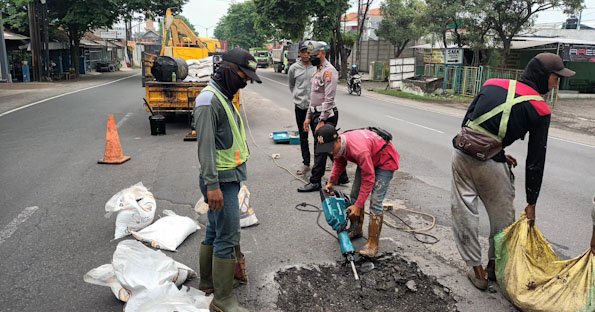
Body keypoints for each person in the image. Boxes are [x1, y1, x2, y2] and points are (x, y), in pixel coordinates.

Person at [450, 53, 575, 291]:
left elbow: (469, 122)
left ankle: (476, 271)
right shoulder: (540, 109)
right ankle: (493, 268)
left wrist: (496, 152)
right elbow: (536, 160)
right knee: (503, 220)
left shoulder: (491, 83)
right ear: (542, 76)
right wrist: (532, 202)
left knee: (463, 210)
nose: (556, 84)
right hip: (489, 164)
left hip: (461, 154)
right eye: (555, 78)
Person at [194, 47, 261, 312]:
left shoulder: (222, 96)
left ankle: (209, 283)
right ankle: (223, 301)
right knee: (228, 236)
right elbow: (205, 148)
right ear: (227, 70)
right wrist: (212, 186)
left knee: (214, 229)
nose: (245, 82)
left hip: (227, 178)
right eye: (243, 76)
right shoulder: (208, 100)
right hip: (219, 181)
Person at [320, 124, 400, 257]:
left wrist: (358, 205)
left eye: (331, 148)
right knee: (354, 195)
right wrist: (331, 182)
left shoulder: (358, 150)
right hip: (370, 158)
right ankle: (356, 229)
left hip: (385, 161)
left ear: (338, 139)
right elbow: (339, 162)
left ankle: (373, 244)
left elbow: (369, 179)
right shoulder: (340, 147)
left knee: (375, 202)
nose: (330, 152)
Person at [298, 41, 349, 192]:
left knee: (320, 148)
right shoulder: (317, 70)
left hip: (325, 115)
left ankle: (315, 181)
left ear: (322, 53)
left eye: (313, 54)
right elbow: (313, 96)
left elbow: (329, 99)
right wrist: (308, 117)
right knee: (328, 146)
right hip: (314, 113)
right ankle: (342, 175)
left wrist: (322, 120)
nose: (310, 57)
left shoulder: (329, 71)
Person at [288, 41, 316, 176]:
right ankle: (306, 163)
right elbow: (291, 85)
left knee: (318, 136)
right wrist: (297, 97)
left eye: (308, 52)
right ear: (299, 53)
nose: (306, 54)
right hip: (300, 107)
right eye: (303, 52)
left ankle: (319, 164)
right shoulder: (293, 68)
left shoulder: (316, 67)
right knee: (303, 136)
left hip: (315, 108)